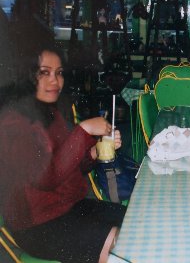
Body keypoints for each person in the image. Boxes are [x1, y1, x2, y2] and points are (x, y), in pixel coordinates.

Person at [0, 44, 126, 263]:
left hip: (68, 206)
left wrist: (95, 152)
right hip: (37, 225)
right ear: (27, 77)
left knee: (133, 220)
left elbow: (72, 166)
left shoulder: (50, 112)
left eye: (59, 73)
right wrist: (84, 129)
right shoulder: (12, 123)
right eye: (45, 73)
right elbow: (46, 177)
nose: (55, 81)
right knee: (116, 243)